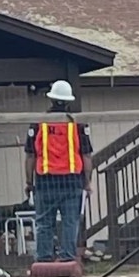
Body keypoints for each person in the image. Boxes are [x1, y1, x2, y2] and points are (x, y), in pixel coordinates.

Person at [24, 80, 93, 263]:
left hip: (45, 182)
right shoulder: (77, 124)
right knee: (70, 222)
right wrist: (87, 182)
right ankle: (67, 259)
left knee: (44, 223)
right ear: (68, 100)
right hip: (72, 182)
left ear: (52, 99)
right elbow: (86, 156)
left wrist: (29, 183)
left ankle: (44, 260)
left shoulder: (39, 123)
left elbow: (30, 156)